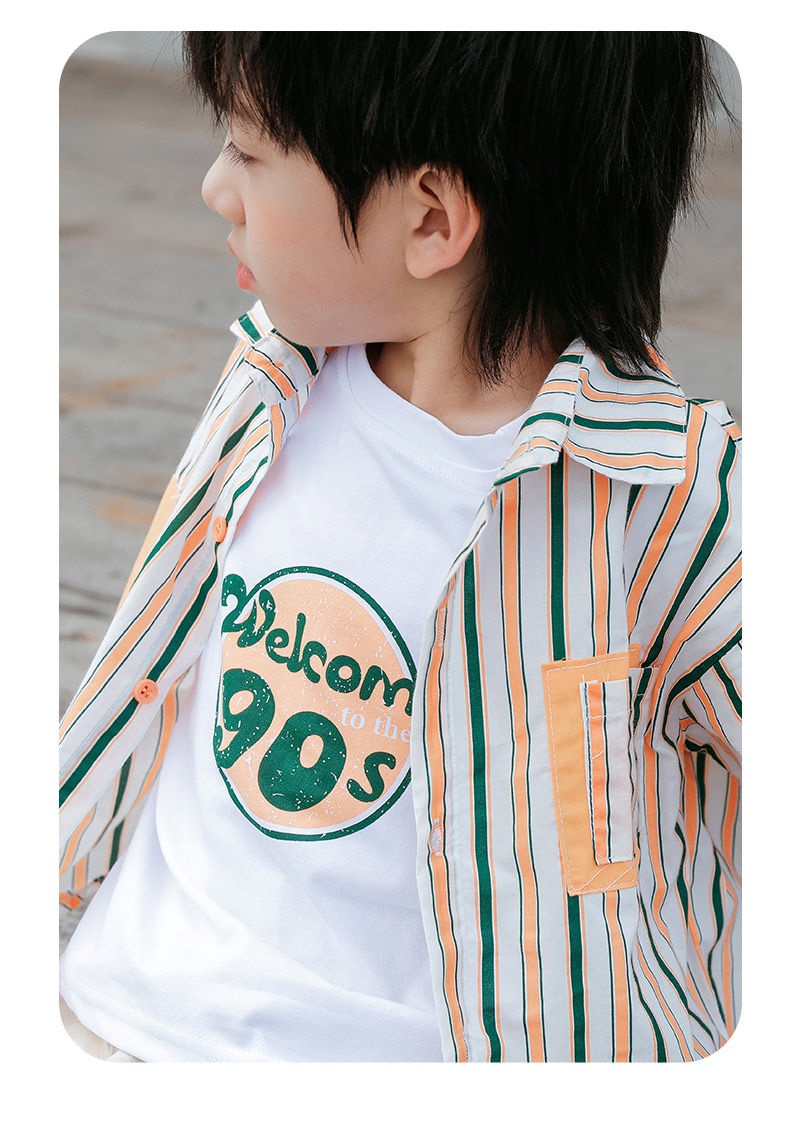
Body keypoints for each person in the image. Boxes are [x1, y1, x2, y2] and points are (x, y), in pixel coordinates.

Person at [58, 31, 741, 1063]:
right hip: (117, 1018)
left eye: (249, 152)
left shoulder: (671, 500)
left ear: (430, 220)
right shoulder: (273, 383)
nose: (214, 188)